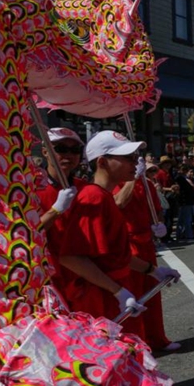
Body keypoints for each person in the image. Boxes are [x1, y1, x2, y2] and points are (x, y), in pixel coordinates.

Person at [59, 131, 180, 330]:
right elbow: (71, 257)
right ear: (102, 162)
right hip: (100, 298)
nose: (135, 163)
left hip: (113, 291)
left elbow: (115, 254)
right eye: (127, 158)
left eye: (135, 157)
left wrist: (153, 270)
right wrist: (117, 291)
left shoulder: (103, 196)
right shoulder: (93, 198)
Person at [113, 154, 178, 351]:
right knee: (132, 295)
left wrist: (159, 225)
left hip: (146, 242)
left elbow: (156, 210)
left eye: (136, 161)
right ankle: (137, 343)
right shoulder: (117, 183)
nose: (135, 166)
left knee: (152, 293)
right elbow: (118, 202)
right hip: (127, 244)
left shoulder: (148, 185)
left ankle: (157, 338)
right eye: (130, 162)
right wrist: (133, 180)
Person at [36, 128, 87, 293]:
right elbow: (28, 234)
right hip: (48, 279)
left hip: (85, 277)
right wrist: (55, 210)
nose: (69, 155)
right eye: (61, 149)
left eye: (75, 150)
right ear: (45, 151)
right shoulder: (30, 187)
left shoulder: (85, 188)